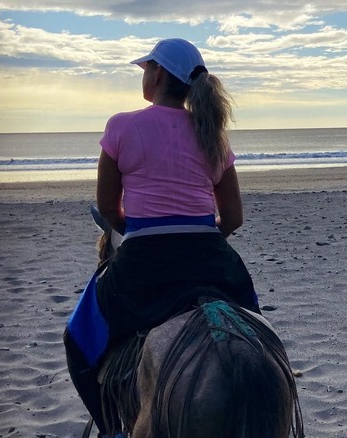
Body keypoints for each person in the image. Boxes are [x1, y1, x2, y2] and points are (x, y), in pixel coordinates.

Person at [63, 38, 260, 437]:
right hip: (210, 255)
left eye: (147, 68)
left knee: (76, 339)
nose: (145, 75)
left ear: (159, 74)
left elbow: (107, 208)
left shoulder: (122, 125)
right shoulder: (212, 135)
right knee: (253, 328)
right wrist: (201, 237)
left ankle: (111, 430)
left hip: (144, 260)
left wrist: (141, 234)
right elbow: (234, 217)